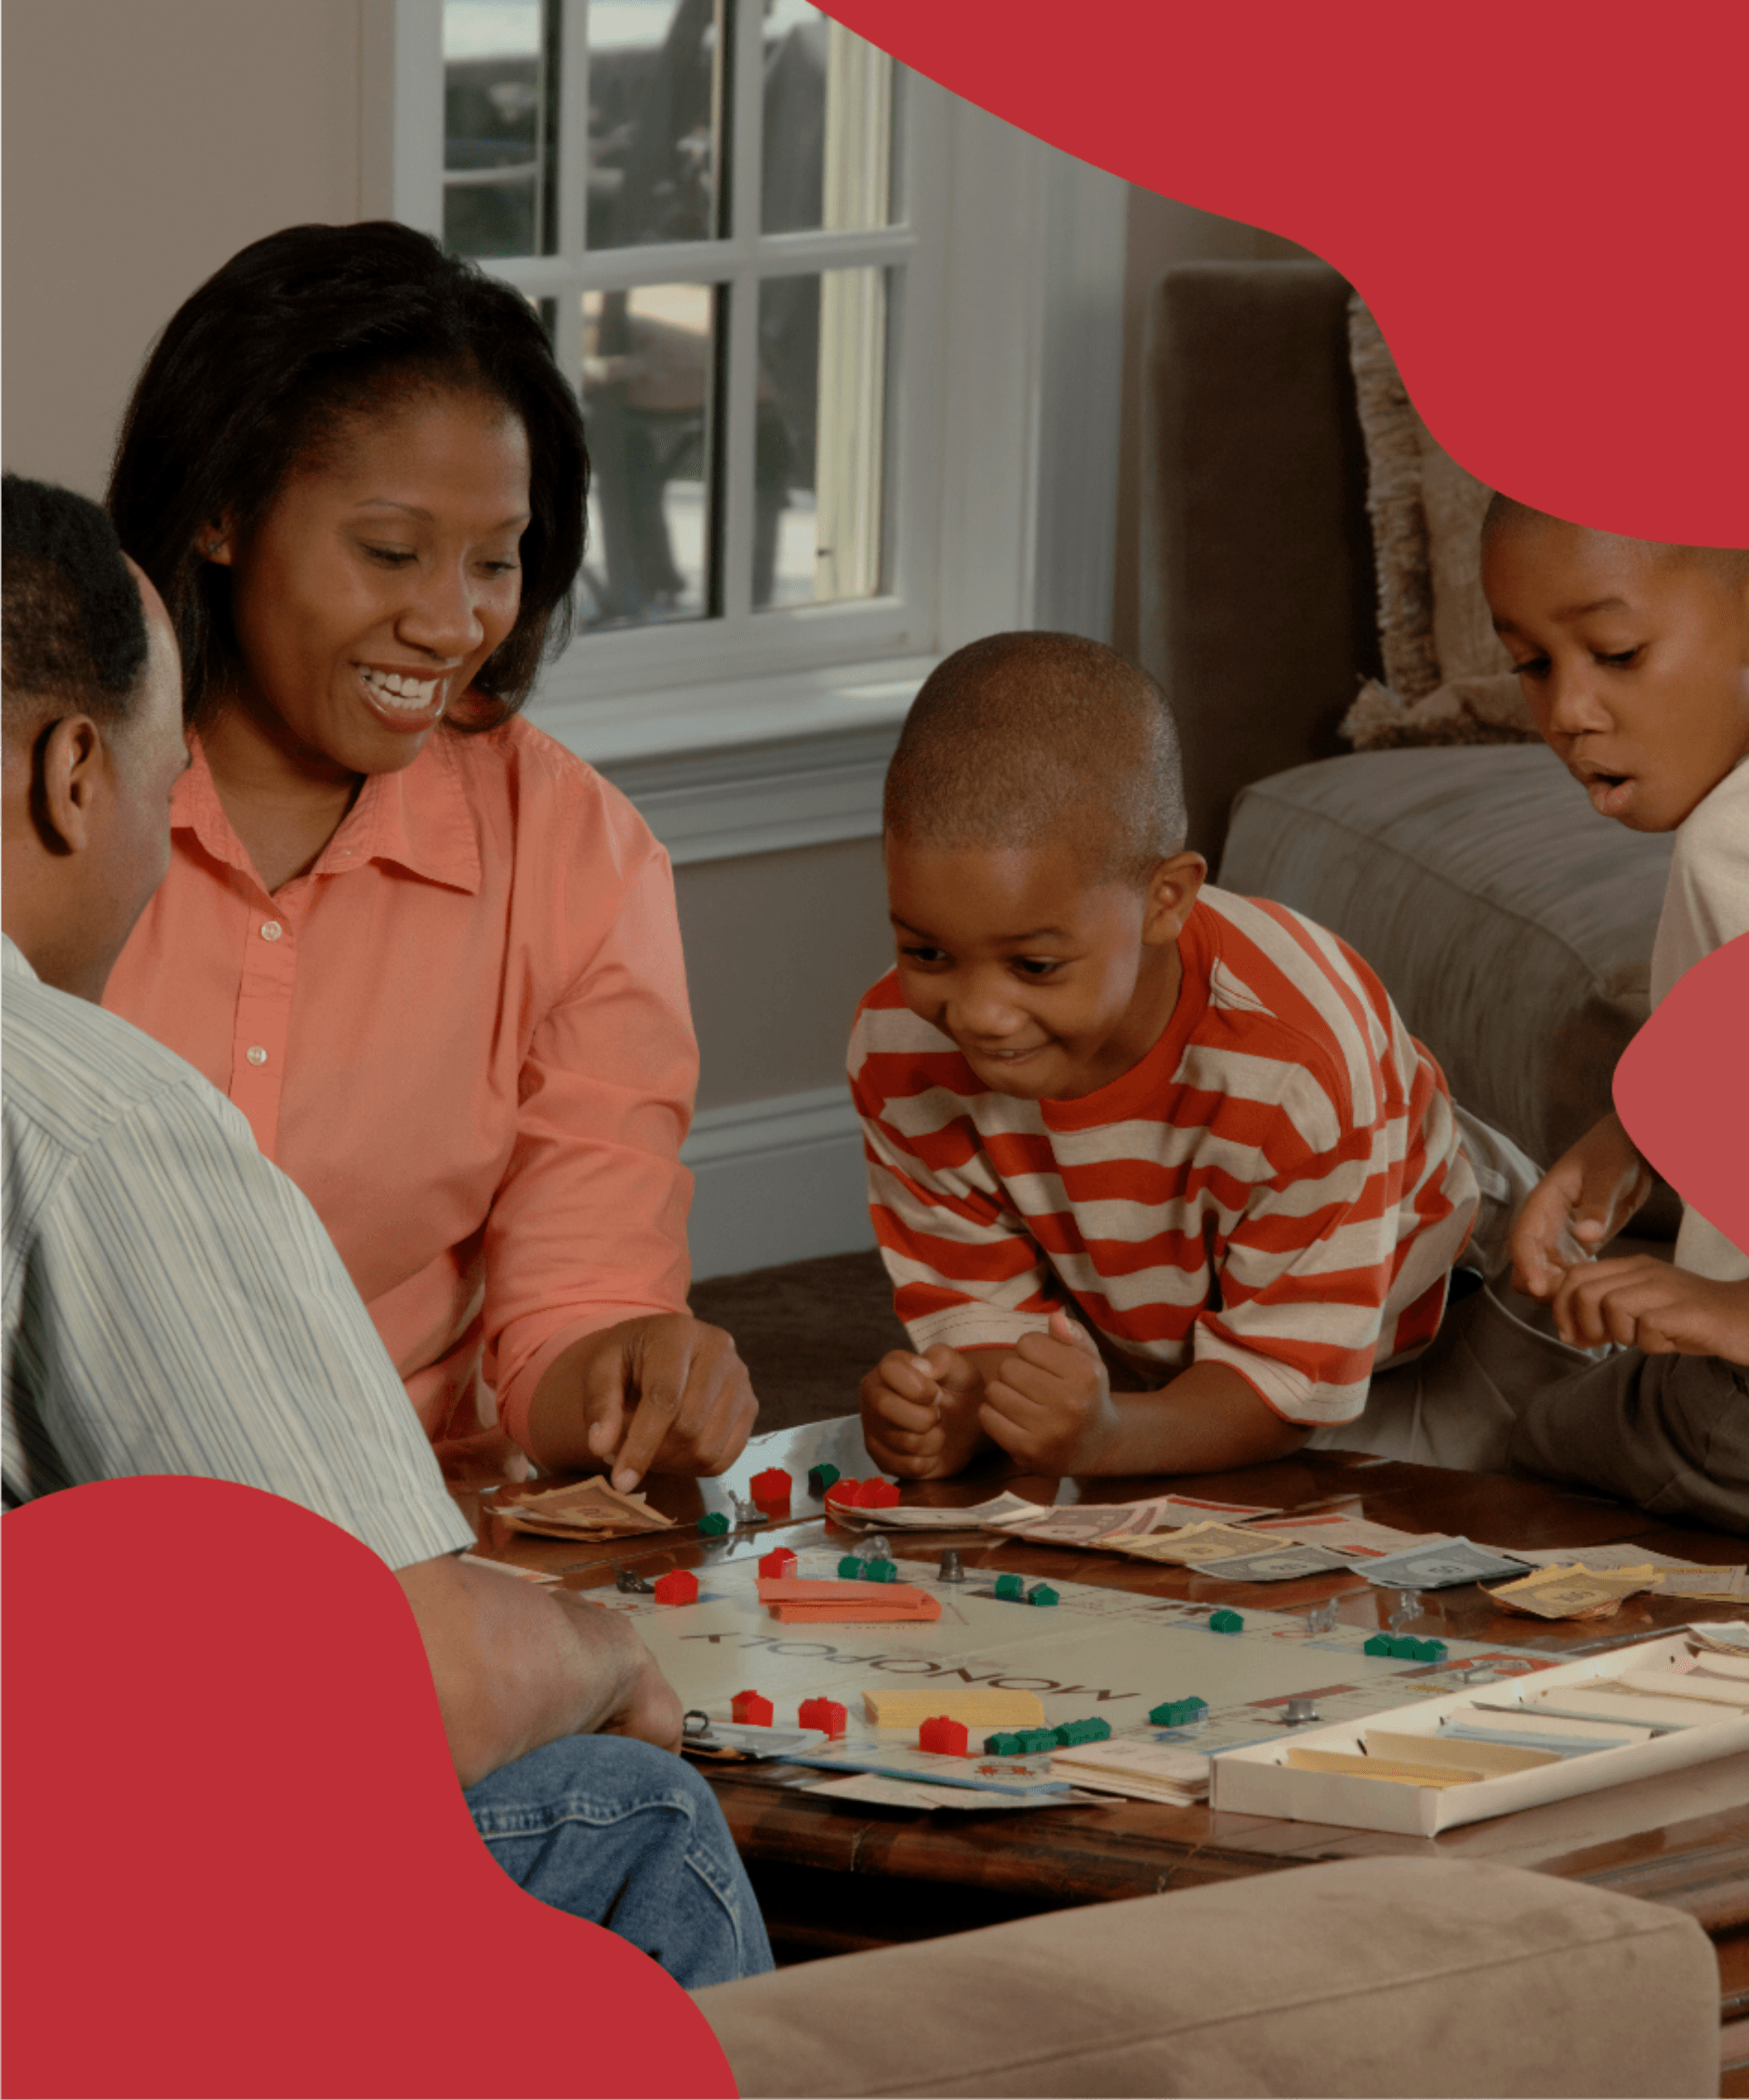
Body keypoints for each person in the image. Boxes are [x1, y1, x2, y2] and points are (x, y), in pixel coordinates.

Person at [0, 473, 773, 1987]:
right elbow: (400, 1683)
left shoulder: (570, 838)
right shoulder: (93, 1113)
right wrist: (600, 1649)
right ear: (74, 775)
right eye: (164, 795)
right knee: (632, 1814)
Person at [100, 221, 754, 1487]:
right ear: (224, 511)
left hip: (404, 1510)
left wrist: (630, 1374)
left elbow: (572, 1302)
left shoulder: (575, 851)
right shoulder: (53, 790)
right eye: (390, 551)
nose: (452, 621)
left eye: (496, 559)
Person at [847, 630, 1534, 1480]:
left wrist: (1108, 1438)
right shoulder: (900, 1049)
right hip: (1191, 1341)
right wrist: (970, 1407)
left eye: (1034, 965)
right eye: (926, 953)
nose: (979, 1015)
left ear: (1164, 899)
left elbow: (1280, 1383)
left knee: (1453, 1527)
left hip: (1457, 1310)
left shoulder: (1297, 1062)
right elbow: (992, 1333)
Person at [1484, 502, 1749, 1551]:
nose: (1567, 709)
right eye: (1529, 663)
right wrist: (1636, 1134)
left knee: (1549, 1438)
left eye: (1616, 652)